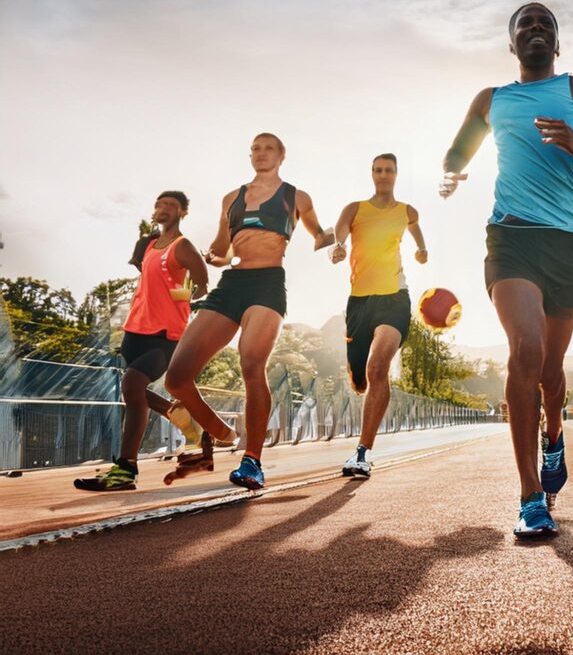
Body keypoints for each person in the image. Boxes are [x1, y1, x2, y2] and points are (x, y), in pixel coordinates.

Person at [440, 2, 573, 537]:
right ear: (511, 44)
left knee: (550, 370)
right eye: (525, 24)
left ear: (557, 42)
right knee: (525, 351)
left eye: (545, 24)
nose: (535, 29)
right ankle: (530, 497)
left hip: (568, 243)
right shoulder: (492, 100)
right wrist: (452, 174)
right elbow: (457, 152)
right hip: (511, 238)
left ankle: (555, 434)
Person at [165, 133, 332, 490]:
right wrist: (213, 257)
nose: (261, 153)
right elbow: (222, 249)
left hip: (268, 285)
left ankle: (252, 460)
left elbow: (319, 234)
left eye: (268, 147)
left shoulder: (296, 197)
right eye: (255, 148)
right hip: (232, 286)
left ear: (281, 155)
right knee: (176, 378)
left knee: (251, 363)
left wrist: (333, 243)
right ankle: (221, 431)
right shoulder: (232, 199)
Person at [74, 192, 208, 491]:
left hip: (165, 335)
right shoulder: (146, 245)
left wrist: (183, 294)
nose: (164, 209)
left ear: (182, 212)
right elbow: (149, 277)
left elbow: (202, 285)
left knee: (132, 386)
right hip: (135, 331)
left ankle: (125, 470)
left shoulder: (183, 246)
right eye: (160, 204)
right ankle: (179, 414)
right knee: (134, 390)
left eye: (171, 205)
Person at [331, 153, 428, 477]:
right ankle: (356, 373)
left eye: (388, 170)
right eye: (377, 170)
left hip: (394, 299)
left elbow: (416, 233)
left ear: (396, 174)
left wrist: (421, 250)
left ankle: (362, 452)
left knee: (378, 366)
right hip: (359, 303)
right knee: (360, 378)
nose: (383, 175)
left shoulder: (407, 211)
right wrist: (338, 248)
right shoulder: (355, 209)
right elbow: (340, 236)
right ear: (372, 174)